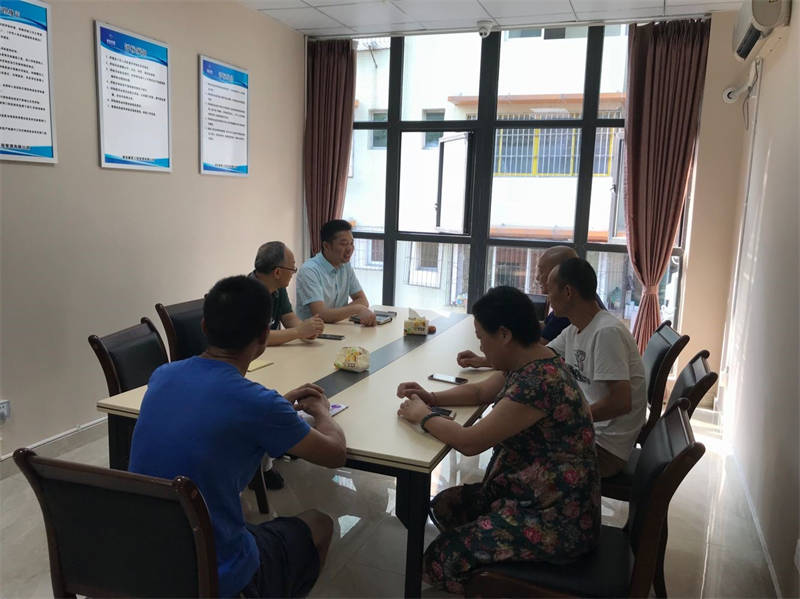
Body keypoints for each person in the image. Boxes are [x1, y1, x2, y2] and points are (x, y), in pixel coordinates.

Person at [129, 275, 347, 598]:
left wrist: (276, 409)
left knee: (242, 513)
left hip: (147, 564)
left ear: (204, 327)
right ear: (264, 337)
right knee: (320, 524)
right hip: (215, 578)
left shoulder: (162, 376)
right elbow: (335, 454)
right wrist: (323, 412)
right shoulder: (259, 405)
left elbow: (216, 414)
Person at [396, 286, 600, 593]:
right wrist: (431, 397)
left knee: (440, 558)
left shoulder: (539, 382)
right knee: (446, 506)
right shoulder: (533, 360)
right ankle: (495, 565)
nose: (481, 346)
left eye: (482, 337)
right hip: (531, 492)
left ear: (504, 334)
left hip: (557, 518)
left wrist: (423, 416)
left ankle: (502, 583)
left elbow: (470, 442)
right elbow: (480, 392)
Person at [546, 258, 646, 478]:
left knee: (525, 449)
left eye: (550, 290)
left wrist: (569, 418)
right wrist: (486, 360)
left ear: (568, 292)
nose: (548, 297)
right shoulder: (575, 329)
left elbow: (621, 402)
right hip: (593, 433)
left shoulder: (606, 333)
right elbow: (540, 356)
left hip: (606, 449)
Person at [456, 246, 604, 369]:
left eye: (541, 271)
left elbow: (531, 354)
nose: (537, 277)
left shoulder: (575, 314)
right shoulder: (573, 324)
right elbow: (542, 338)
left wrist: (487, 357)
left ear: (560, 273)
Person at [295, 219, 377, 326]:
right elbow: (321, 314)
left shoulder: (345, 266)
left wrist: (335, 314)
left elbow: (363, 300)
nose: (349, 249)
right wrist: (356, 309)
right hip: (313, 333)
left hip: (338, 328)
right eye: (343, 244)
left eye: (351, 243)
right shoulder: (309, 270)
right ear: (326, 246)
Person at [250, 241, 324, 345]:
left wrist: (308, 329)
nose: (293, 273)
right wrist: (298, 332)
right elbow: (257, 337)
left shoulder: (277, 285)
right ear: (277, 273)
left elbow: (288, 317)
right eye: (292, 268)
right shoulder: (245, 293)